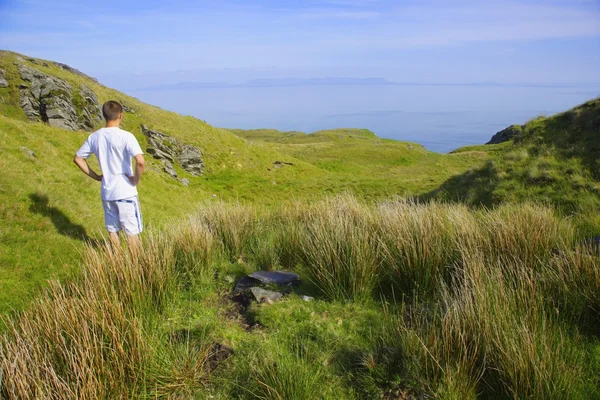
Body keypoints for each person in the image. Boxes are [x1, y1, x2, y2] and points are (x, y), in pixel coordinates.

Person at [74, 100, 146, 249]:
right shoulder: (126, 136)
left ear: (104, 115)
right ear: (120, 116)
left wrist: (97, 176)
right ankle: (136, 267)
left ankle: (116, 261)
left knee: (113, 231)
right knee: (132, 232)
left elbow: (78, 159)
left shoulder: (94, 137)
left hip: (107, 192)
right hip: (126, 191)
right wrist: (135, 179)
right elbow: (140, 162)